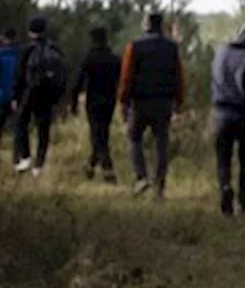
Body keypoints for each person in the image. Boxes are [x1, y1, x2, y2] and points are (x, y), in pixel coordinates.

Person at [118, 13, 185, 199]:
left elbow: (126, 76)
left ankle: (141, 177)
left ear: (146, 24)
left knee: (134, 138)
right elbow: (179, 77)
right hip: (163, 103)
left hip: (140, 102)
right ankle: (160, 188)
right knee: (161, 144)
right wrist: (178, 103)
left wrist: (123, 100)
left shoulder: (135, 46)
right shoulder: (171, 48)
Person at [211, 25, 245, 215]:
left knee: (223, 158)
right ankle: (242, 203)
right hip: (244, 115)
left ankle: (225, 186)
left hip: (220, 113)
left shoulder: (221, 53)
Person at [12, 16, 68, 177]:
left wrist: (16, 96)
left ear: (30, 32)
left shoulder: (27, 50)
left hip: (30, 93)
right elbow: (63, 73)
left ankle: (25, 156)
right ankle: (39, 164)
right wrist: (60, 97)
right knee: (43, 129)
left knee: (21, 123)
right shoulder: (54, 49)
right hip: (48, 95)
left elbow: (19, 75)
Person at [71, 26, 122, 183]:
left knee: (97, 135)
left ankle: (108, 171)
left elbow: (78, 82)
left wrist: (73, 102)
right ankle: (90, 166)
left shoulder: (89, 58)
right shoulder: (114, 59)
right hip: (109, 101)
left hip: (93, 101)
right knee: (102, 133)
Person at [0, 28, 18, 149]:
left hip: (1, 96)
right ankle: (18, 156)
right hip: (16, 97)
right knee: (19, 128)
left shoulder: (1, 55)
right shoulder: (20, 55)